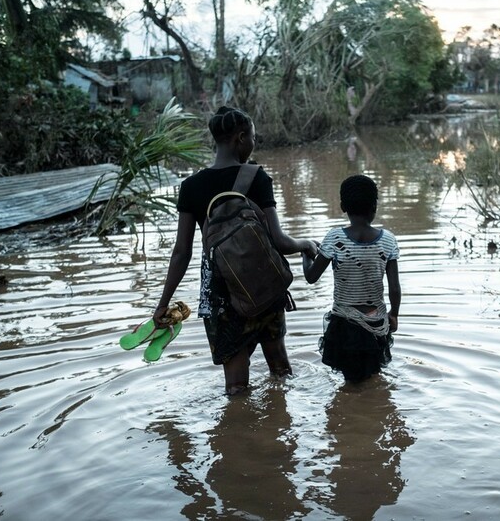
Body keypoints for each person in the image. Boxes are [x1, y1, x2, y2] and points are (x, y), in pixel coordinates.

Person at [153, 106, 317, 395]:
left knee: (237, 388)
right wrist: (306, 244)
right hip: (265, 288)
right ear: (240, 138)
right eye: (253, 137)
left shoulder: (191, 186)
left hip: (222, 295)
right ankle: (281, 431)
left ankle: (239, 436)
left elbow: (182, 252)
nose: (254, 142)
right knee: (280, 372)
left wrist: (162, 303)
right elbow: (279, 241)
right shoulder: (257, 177)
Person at [302, 175, 401, 382]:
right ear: (374, 206)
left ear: (342, 206)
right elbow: (394, 288)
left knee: (350, 384)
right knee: (374, 378)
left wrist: (306, 254)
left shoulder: (334, 238)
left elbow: (311, 277)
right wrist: (394, 315)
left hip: (344, 327)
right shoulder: (389, 241)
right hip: (377, 325)